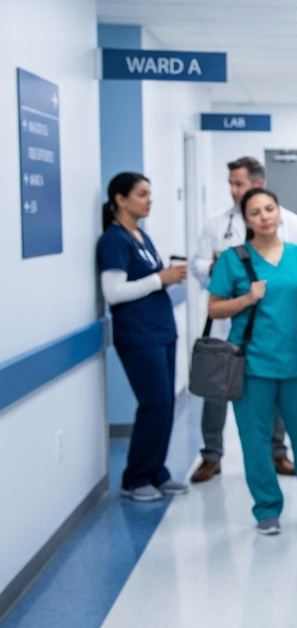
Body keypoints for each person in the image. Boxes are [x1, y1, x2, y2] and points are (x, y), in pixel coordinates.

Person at [207, 188, 297, 535]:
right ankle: (267, 509)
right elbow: (214, 308)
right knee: (256, 440)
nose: (264, 217)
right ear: (246, 220)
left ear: (279, 212)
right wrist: (246, 298)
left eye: (269, 209)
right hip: (252, 366)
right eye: (255, 212)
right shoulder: (233, 258)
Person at [189, 156, 297, 482]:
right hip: (228, 325)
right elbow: (198, 265)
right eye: (230, 183)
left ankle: (278, 452)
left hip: (272, 326)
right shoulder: (216, 223)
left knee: (273, 392)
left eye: (238, 183)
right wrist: (222, 270)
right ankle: (211, 456)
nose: (232, 189)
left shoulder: (291, 223)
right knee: (216, 391)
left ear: (258, 183)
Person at [97, 172, 189, 502]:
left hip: (160, 328)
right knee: (155, 403)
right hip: (138, 335)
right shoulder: (114, 240)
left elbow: (151, 278)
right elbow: (114, 292)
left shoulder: (140, 236)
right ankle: (135, 478)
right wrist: (159, 279)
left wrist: (169, 278)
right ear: (120, 199)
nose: (149, 200)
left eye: (149, 193)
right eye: (141, 194)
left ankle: (156, 472)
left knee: (165, 405)